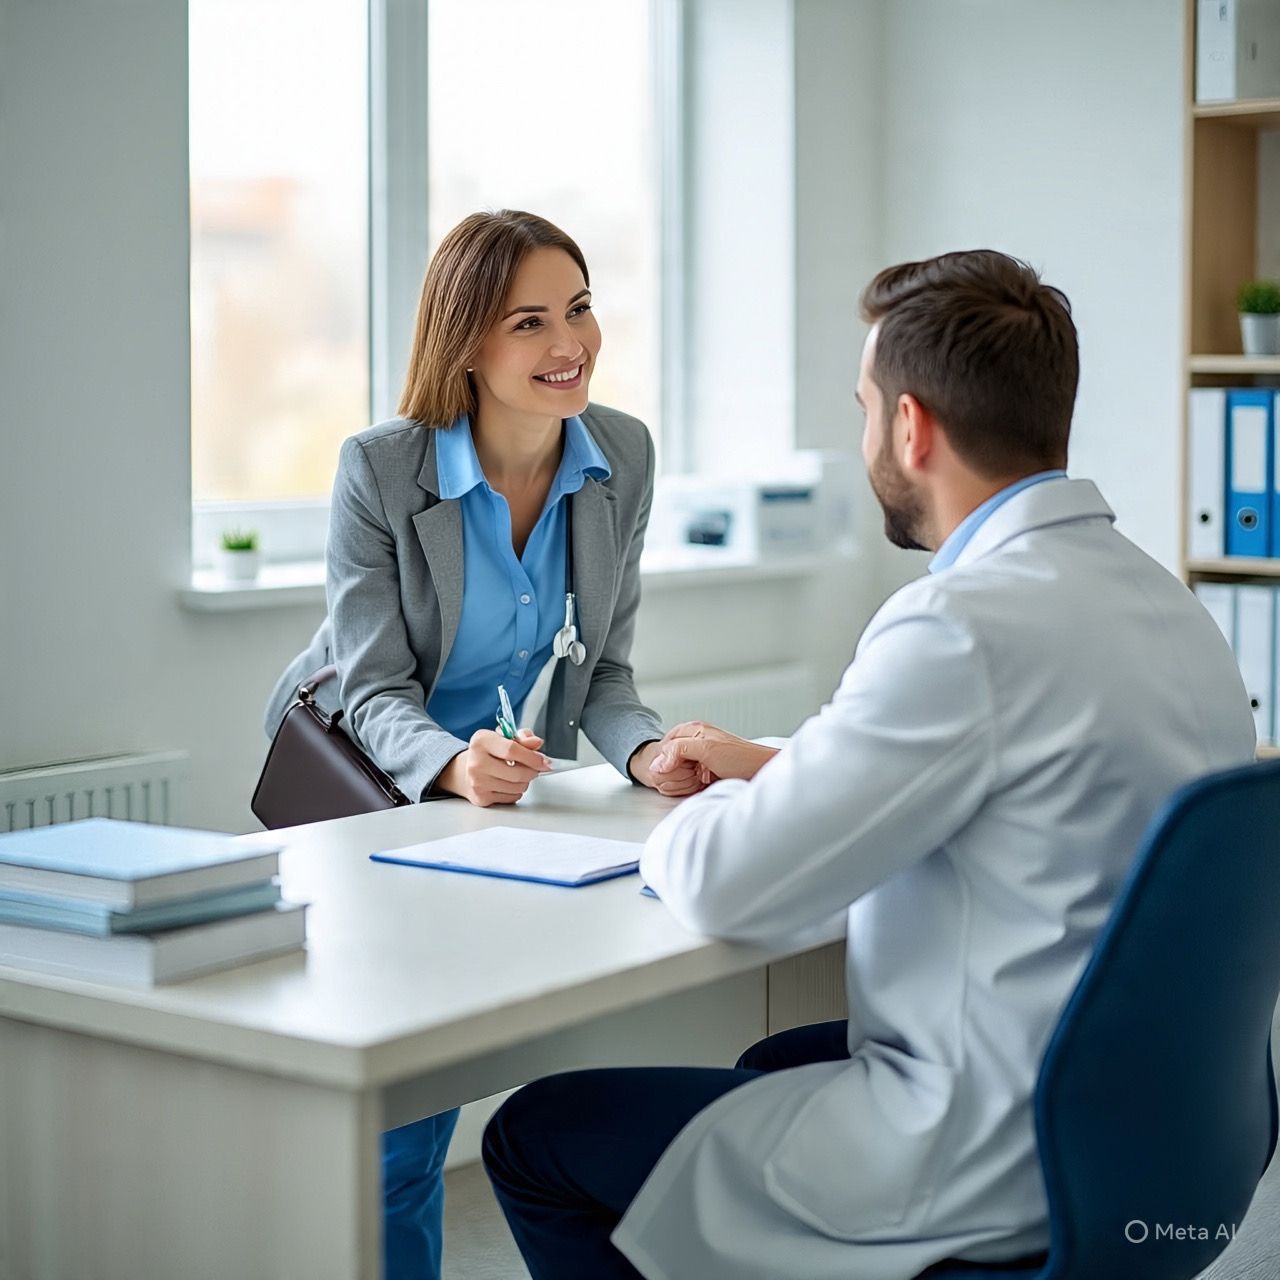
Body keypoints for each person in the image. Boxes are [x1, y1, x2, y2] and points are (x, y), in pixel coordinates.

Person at [481, 249, 1257, 1280]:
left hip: (991, 1147)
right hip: (1154, 1130)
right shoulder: (1165, 603)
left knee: (537, 1133)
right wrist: (779, 762)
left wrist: (682, 821)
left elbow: (728, 884)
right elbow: (1011, 765)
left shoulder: (958, 625)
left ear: (909, 425)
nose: (862, 438)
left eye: (862, 406)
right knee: (765, 1064)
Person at [264, 210, 701, 1280]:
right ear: (465, 342)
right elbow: (371, 687)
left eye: (581, 308)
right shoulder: (383, 468)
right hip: (370, 790)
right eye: (531, 322)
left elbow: (601, 674)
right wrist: (452, 764)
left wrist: (645, 753)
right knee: (396, 1133)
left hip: (495, 819)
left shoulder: (622, 457)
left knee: (439, 1078)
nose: (571, 344)